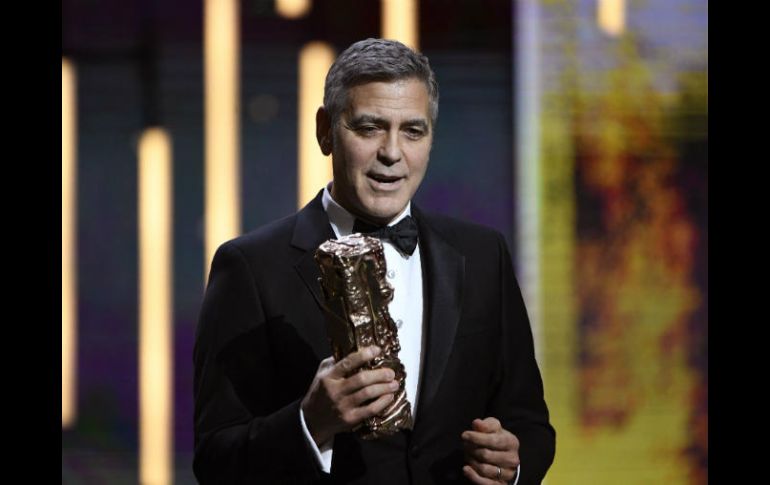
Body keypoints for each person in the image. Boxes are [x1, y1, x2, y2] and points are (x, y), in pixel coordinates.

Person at [193, 38, 555, 484]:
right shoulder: (249, 267)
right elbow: (215, 460)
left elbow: (530, 424)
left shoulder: (482, 255)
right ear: (326, 131)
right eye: (369, 128)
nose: (392, 152)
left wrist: (512, 466)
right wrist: (311, 423)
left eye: (413, 131)